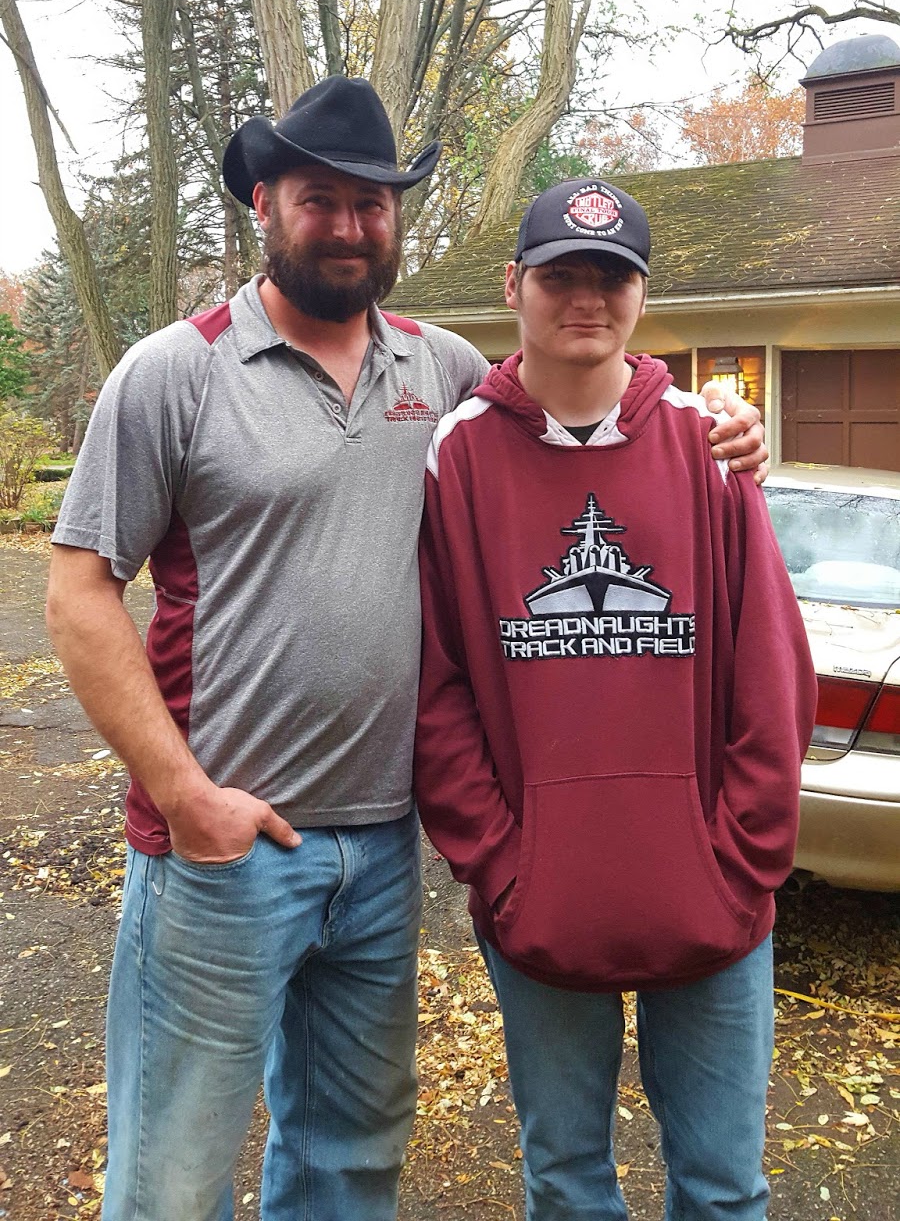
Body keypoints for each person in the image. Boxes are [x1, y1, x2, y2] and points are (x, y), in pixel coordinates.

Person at [45, 88, 769, 1221]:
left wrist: (719, 414)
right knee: (174, 1178)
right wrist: (184, 796)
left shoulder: (441, 373)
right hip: (223, 850)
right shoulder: (174, 372)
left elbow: (581, 393)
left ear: (396, 220)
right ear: (262, 204)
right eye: (319, 200)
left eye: (371, 204)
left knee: (348, 1160)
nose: (348, 225)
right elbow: (79, 591)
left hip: (380, 851)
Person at [414, 177, 818, 1221]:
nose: (586, 298)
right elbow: (436, 683)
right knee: (565, 1182)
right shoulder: (458, 452)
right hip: (541, 904)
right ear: (514, 285)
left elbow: (772, 673)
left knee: (724, 1188)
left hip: (715, 901)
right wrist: (500, 863)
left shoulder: (708, 446)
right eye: (561, 275)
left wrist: (743, 858)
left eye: (612, 276)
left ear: (643, 294)